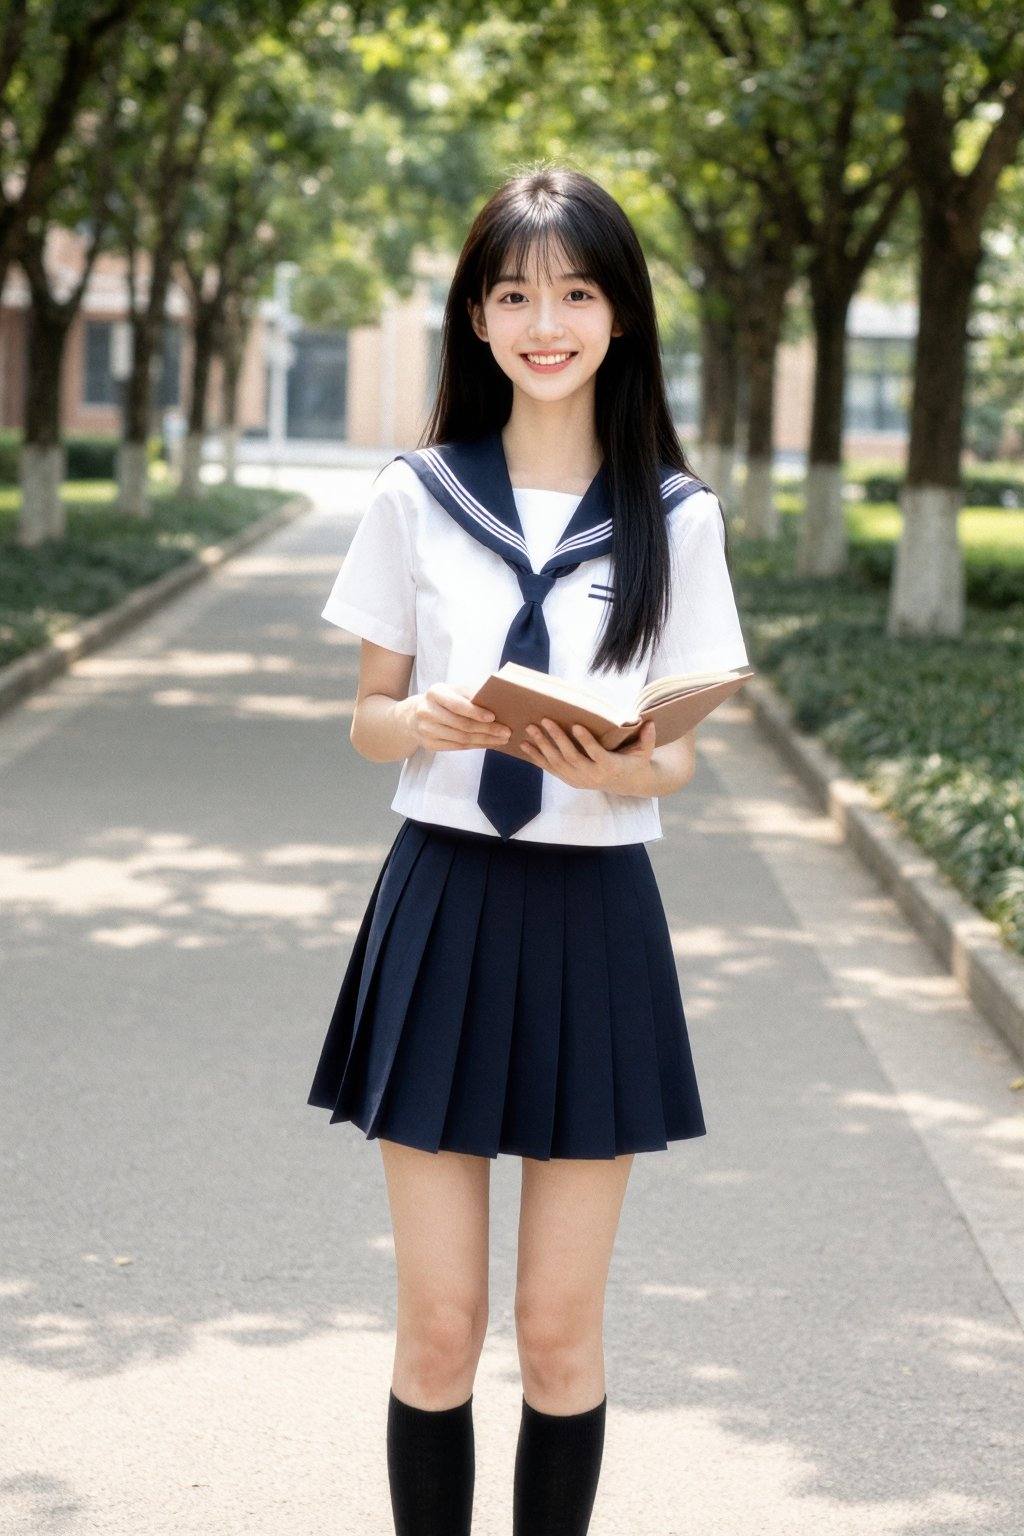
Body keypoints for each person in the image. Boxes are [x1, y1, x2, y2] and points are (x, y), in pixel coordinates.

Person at [307, 164, 750, 1536]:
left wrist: (626, 766)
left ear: (621, 316)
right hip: (443, 900)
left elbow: (679, 750)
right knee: (440, 1328)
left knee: (559, 1334)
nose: (544, 323)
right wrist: (421, 719)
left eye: (575, 293)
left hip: (596, 915)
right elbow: (369, 722)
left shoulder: (675, 514)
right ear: (476, 319)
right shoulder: (420, 494)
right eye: (513, 295)